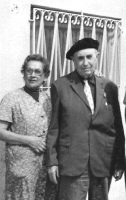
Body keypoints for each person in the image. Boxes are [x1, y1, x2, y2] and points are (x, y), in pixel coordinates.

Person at [46, 38, 125, 200]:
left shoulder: (109, 87)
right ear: (73, 61)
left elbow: (117, 127)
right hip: (72, 161)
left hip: (103, 160)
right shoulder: (60, 86)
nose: (85, 63)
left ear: (97, 56)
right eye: (80, 58)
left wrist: (120, 161)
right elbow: (54, 127)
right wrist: (52, 161)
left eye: (89, 57)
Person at [0, 54, 56, 200]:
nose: (33, 75)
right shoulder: (12, 98)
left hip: (45, 165)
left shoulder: (49, 99)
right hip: (22, 165)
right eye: (29, 71)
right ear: (23, 73)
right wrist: (29, 140)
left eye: (38, 72)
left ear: (45, 76)